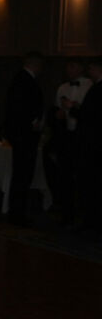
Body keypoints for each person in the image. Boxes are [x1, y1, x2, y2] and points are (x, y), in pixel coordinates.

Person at [44, 58, 91, 224]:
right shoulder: (62, 88)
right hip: (66, 138)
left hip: (85, 139)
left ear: (81, 68)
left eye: (74, 66)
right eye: (68, 67)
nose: (70, 70)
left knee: (84, 177)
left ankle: (85, 214)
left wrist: (75, 108)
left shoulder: (89, 86)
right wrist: (58, 115)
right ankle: (66, 212)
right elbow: (56, 113)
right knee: (64, 175)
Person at [3, 51, 44, 226]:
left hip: (20, 136)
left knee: (20, 175)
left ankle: (16, 212)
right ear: (35, 64)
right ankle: (17, 214)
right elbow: (21, 109)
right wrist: (33, 122)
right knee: (22, 176)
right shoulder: (25, 81)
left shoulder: (19, 79)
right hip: (24, 137)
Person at [76, 56, 102, 234]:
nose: (89, 72)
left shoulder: (99, 89)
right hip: (94, 145)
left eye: (91, 68)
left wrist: (73, 109)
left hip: (95, 147)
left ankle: (91, 225)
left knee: (93, 185)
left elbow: (91, 118)